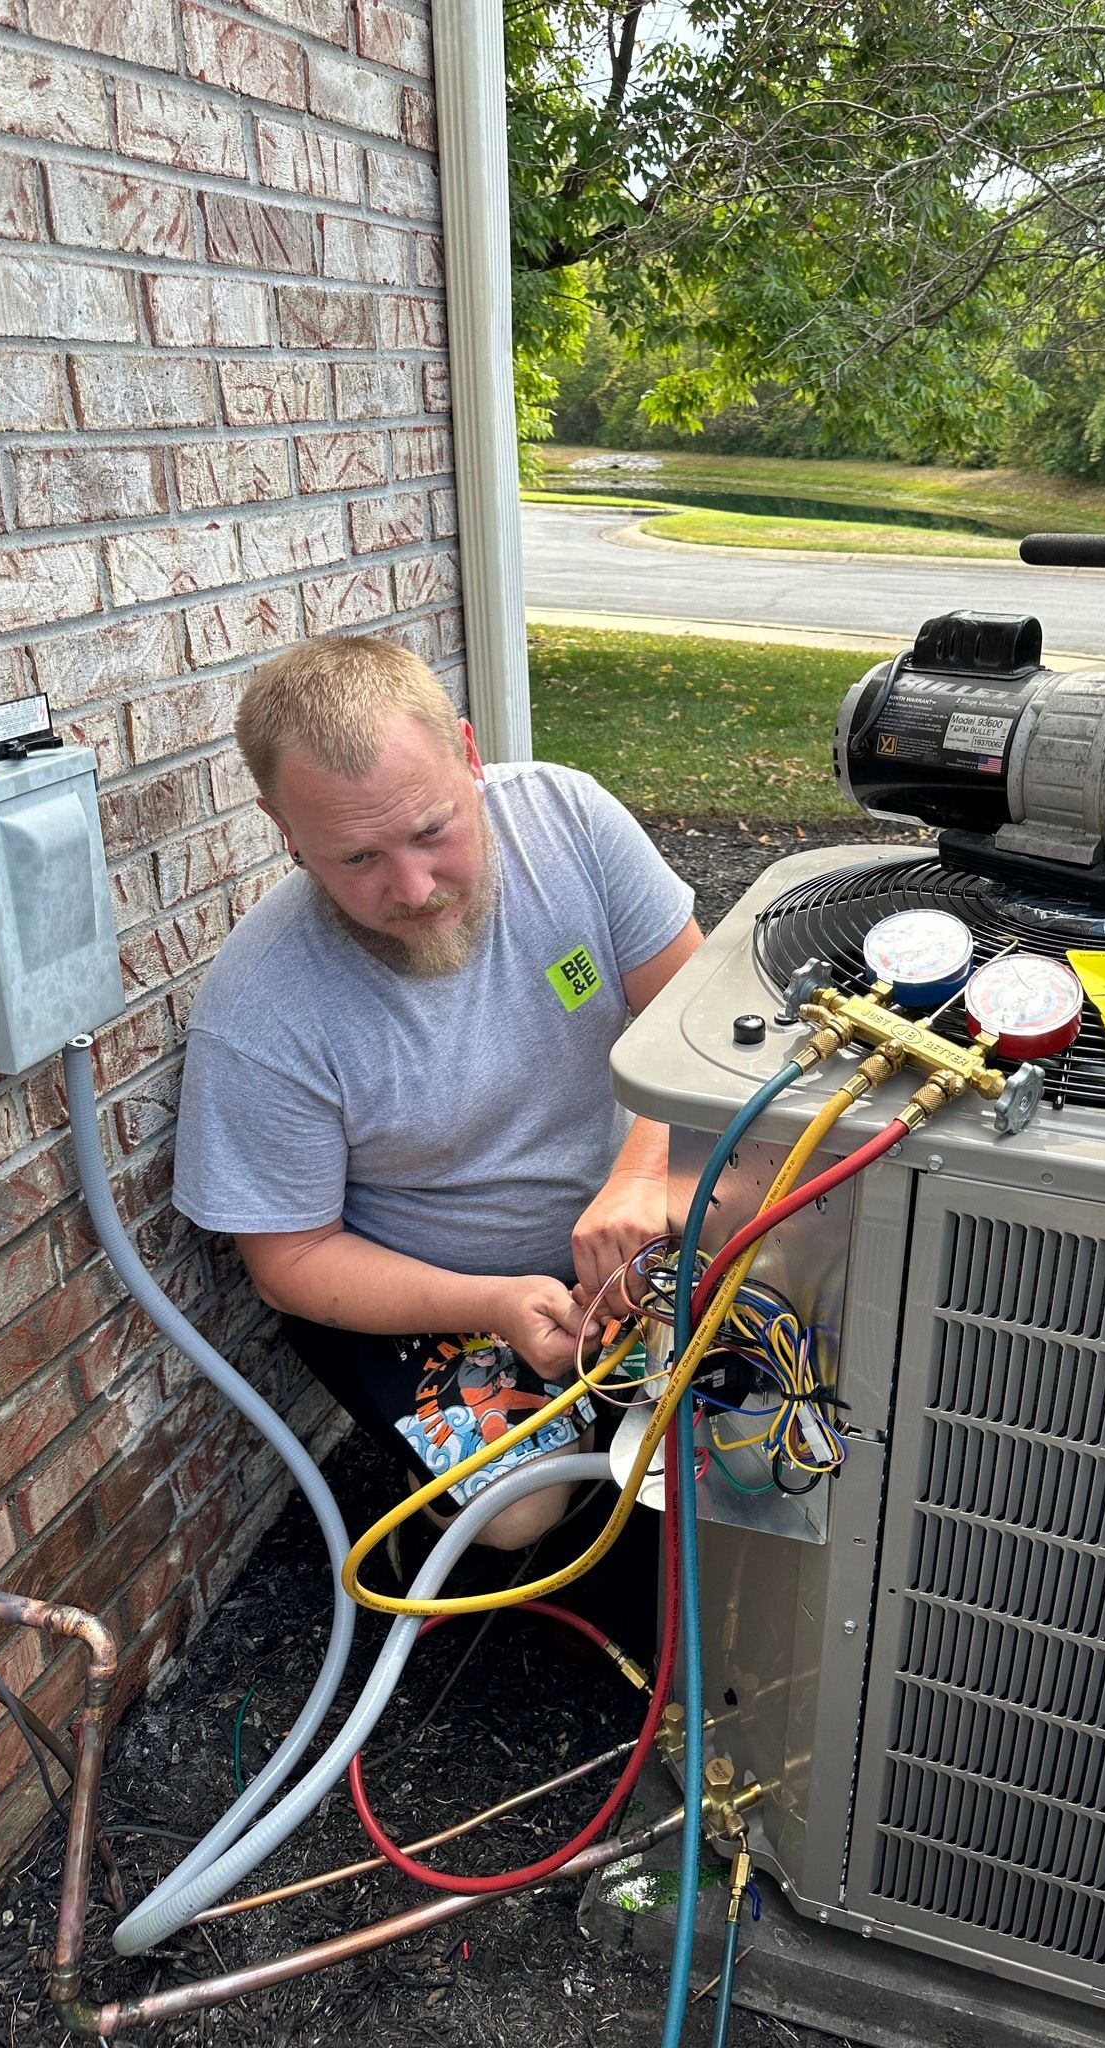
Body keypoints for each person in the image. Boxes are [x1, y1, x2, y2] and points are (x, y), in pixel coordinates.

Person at [172, 635, 702, 1548]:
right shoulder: (260, 1011)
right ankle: (462, 1484)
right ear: (282, 829)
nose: (413, 889)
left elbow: (696, 1023)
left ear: (468, 753)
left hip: (624, 1213)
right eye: (356, 859)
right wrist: (491, 1303)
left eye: (431, 831)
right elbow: (291, 1265)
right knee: (521, 1514)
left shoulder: (569, 819)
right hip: (424, 1290)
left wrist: (643, 1174)